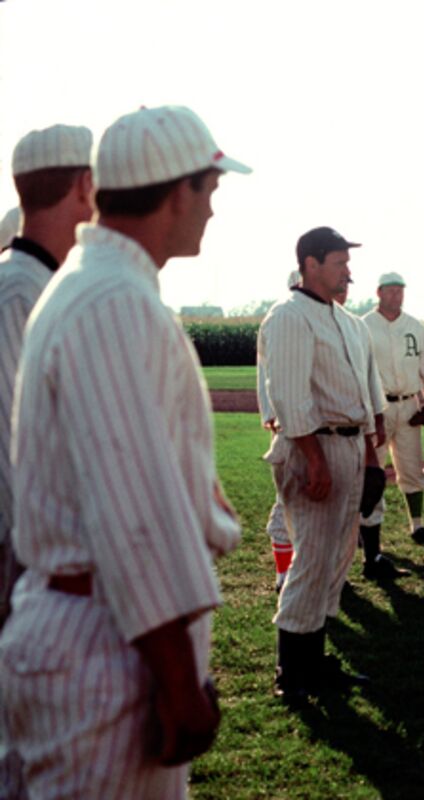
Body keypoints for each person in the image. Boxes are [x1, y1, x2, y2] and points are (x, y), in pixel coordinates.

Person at [0, 105, 247, 798]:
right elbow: (131, 509)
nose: (211, 210)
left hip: (88, 627)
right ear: (176, 191)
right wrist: (177, 680)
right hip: (104, 642)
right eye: (209, 190)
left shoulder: (92, 284)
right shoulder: (113, 300)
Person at [0, 122, 93, 800]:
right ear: (85, 186)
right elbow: (14, 452)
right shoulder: (18, 291)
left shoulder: (41, 283)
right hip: (24, 555)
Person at [258, 226, 381, 700]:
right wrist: (315, 461)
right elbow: (289, 398)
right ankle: (292, 672)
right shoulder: (290, 317)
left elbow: (360, 397)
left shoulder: (346, 321)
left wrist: (370, 456)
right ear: (310, 264)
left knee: (337, 556)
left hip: (348, 445)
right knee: (311, 557)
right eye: (338, 261)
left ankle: (315, 661)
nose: (347, 269)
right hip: (314, 446)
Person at [362, 272, 424, 551]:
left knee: (411, 465)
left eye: (400, 290)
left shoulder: (415, 326)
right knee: (372, 469)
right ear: (379, 292)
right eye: (391, 290)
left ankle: (417, 524)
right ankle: (366, 528)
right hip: (377, 406)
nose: (396, 295)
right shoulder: (364, 326)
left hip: (409, 405)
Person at [259, 270, 303, 591]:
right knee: (287, 500)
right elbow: (266, 372)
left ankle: (313, 570)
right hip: (288, 425)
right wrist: (272, 413)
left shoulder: (329, 317)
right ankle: (283, 574)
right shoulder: (279, 318)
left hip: (326, 426)